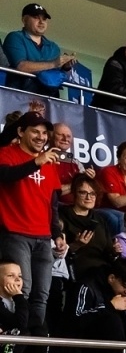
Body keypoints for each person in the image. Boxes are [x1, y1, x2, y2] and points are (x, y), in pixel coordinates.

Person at [0, 113, 65, 337]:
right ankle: (12, 352)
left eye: (45, 133)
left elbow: (52, 204)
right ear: (20, 132)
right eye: (35, 131)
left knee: (41, 297)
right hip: (15, 234)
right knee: (21, 292)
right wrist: (36, 162)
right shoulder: (7, 153)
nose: (41, 137)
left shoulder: (49, 162)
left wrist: (57, 233)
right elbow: (5, 175)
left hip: (43, 237)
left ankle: (32, 350)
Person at [3, 4, 75, 96]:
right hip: (19, 96)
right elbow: (21, 66)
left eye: (44, 19)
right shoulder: (15, 37)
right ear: (24, 20)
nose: (41, 22)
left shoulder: (53, 47)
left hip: (48, 100)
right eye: (36, 17)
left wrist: (66, 67)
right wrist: (53, 63)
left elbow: (59, 77)